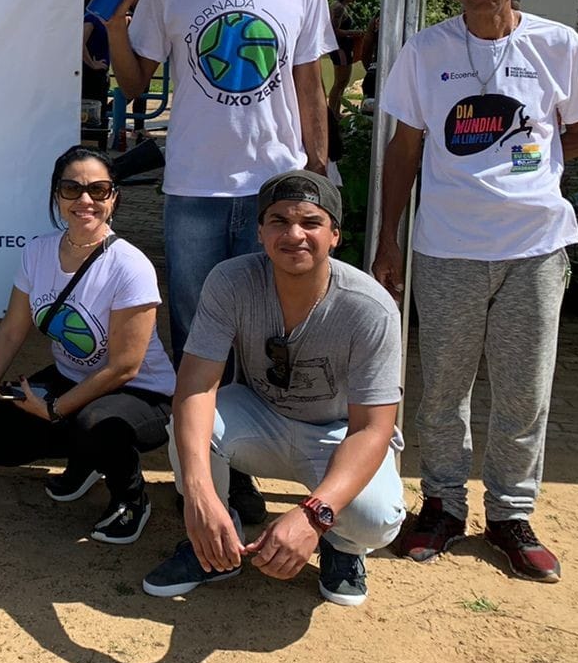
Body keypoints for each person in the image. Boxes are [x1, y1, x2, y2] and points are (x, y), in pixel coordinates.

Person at [374, 0, 578, 583]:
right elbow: (405, 148)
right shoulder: (426, 52)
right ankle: (443, 507)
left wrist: (527, 171)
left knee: (522, 391)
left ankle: (510, 515)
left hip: (535, 248)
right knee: (444, 387)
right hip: (448, 246)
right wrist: (389, 238)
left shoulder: (557, 46)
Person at [103, 0, 336, 524]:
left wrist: (318, 168)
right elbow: (133, 83)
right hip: (196, 192)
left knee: (271, 335)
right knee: (199, 339)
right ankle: (202, 472)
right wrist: (116, 26)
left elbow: (307, 81)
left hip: (277, 194)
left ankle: (245, 465)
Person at [142, 170, 405, 606]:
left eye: (310, 222)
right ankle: (212, 544)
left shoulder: (369, 308)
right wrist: (200, 495)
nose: (294, 234)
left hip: (337, 432)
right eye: (279, 221)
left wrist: (313, 517)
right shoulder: (231, 281)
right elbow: (195, 386)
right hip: (261, 415)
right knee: (189, 425)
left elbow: (372, 429)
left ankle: (343, 548)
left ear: (335, 235)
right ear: (260, 232)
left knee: (375, 518)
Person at [0, 148, 174, 544]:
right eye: (72, 189)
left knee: (97, 423)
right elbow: (11, 331)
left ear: (114, 198)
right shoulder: (38, 251)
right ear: (56, 196)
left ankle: (130, 497)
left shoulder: (130, 265)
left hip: (142, 392)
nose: (85, 200)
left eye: (98, 189)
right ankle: (88, 457)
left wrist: (56, 409)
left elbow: (125, 366)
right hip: (73, 378)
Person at [328, 0, 361, 112]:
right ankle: (332, 114)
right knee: (340, 82)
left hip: (344, 47)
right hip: (339, 48)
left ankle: (336, 112)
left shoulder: (341, 7)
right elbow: (334, 31)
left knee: (343, 82)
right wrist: (355, 32)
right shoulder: (339, 8)